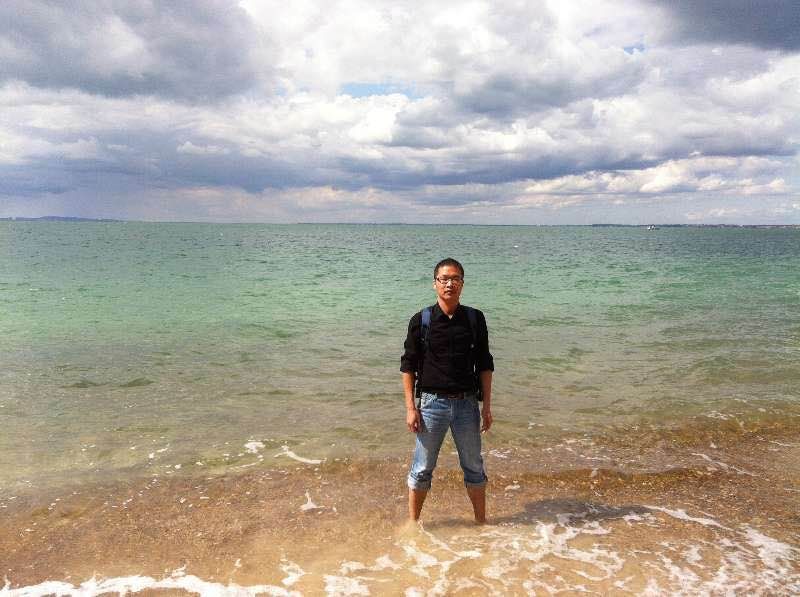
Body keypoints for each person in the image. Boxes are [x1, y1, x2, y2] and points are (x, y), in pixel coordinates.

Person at [400, 258, 494, 523]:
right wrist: (410, 408)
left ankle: (481, 525)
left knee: (474, 467)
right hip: (431, 406)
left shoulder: (475, 319)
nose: (449, 284)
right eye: (444, 279)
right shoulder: (422, 320)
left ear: (462, 283)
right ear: (435, 284)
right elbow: (408, 366)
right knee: (422, 469)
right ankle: (413, 527)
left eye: (455, 279)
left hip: (467, 405)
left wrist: (486, 407)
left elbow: (485, 364)